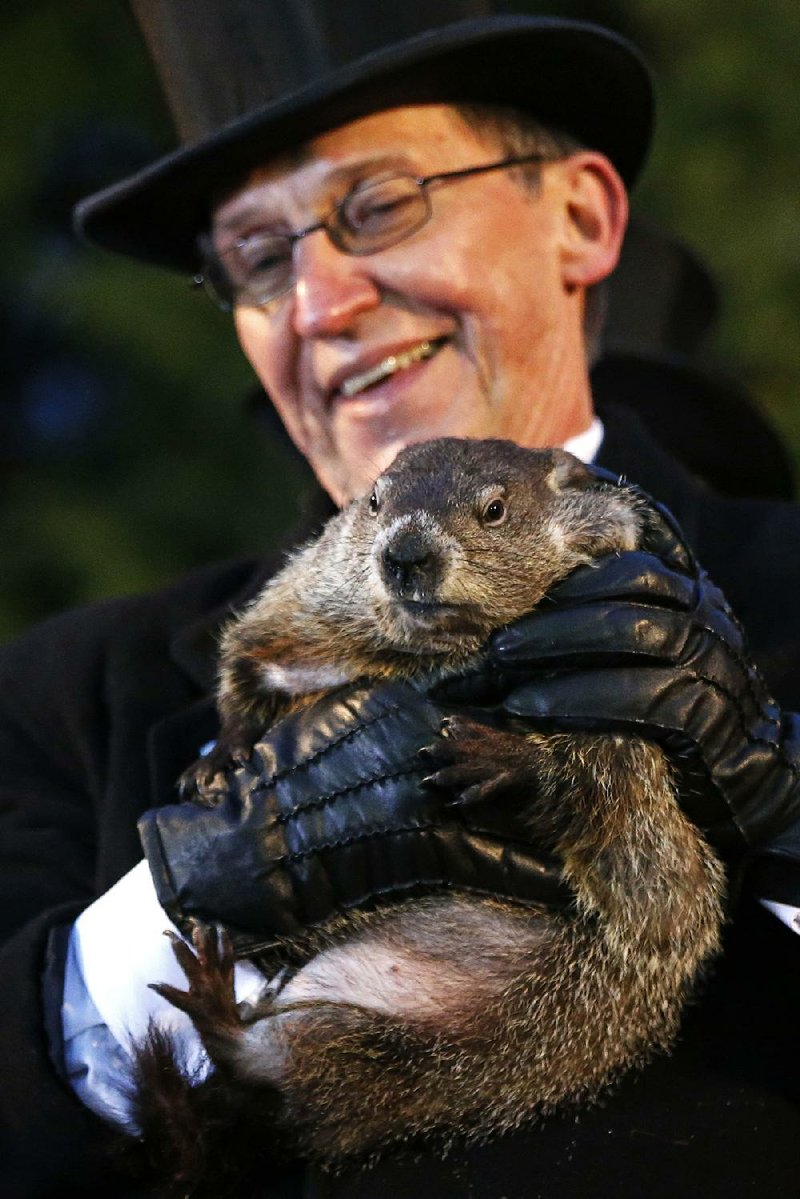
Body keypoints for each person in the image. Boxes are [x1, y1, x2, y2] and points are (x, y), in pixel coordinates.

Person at [2, 5, 800, 1197]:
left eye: (376, 206)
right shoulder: (70, 692)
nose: (320, 303)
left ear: (579, 218)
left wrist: (772, 810)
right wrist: (176, 910)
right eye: (257, 260)